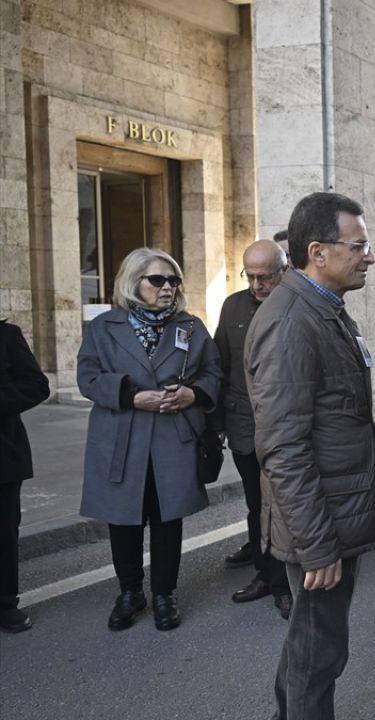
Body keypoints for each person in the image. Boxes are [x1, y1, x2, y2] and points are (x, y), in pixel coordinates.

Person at [245, 192, 375, 720]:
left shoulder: (322, 309)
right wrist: (317, 547)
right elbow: (283, 449)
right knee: (319, 652)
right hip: (320, 525)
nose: (369, 256)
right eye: (359, 246)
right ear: (317, 251)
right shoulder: (292, 322)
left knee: (310, 642)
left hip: (331, 513)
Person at [77, 247, 221, 632]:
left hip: (172, 437)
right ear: (133, 282)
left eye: (173, 280)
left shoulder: (190, 327)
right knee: (122, 520)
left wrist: (193, 394)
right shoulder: (104, 327)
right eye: (157, 280)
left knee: (166, 518)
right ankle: (129, 593)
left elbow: (213, 373)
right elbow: (87, 377)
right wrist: (130, 395)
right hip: (121, 436)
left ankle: (163, 594)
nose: (167, 288)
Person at [214, 240, 292, 620]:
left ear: (284, 270)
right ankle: (266, 575)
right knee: (256, 506)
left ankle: (288, 582)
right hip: (245, 426)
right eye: (252, 276)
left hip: (288, 427)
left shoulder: (297, 304)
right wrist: (217, 424)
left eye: (266, 277)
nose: (258, 285)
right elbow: (220, 364)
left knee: (288, 507)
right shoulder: (233, 307)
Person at [0, 319, 50, 633]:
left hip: (3, 455)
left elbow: (37, 385)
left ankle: (5, 603)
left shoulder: (7, 335)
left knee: (3, 533)